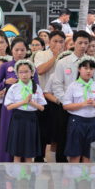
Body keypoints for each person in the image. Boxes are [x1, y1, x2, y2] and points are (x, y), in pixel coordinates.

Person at [52, 30, 95, 162]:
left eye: (86, 43)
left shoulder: (93, 63)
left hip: (87, 109)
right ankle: (62, 168)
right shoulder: (63, 62)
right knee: (63, 139)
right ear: (74, 43)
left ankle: (83, 170)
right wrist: (67, 102)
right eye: (80, 42)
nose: (83, 46)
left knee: (86, 145)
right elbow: (57, 85)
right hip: (66, 107)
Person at [0, 37, 39, 162]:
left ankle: (25, 165)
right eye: (16, 50)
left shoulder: (32, 67)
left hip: (27, 107)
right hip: (10, 108)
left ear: (26, 51)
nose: (19, 53)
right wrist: (5, 82)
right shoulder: (5, 66)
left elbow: (37, 87)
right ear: (11, 50)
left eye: (22, 50)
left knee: (25, 136)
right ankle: (7, 163)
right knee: (8, 134)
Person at [62, 56, 95, 163]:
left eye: (91, 68)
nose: (88, 71)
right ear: (79, 69)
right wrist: (82, 104)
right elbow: (66, 105)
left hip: (93, 122)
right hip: (77, 121)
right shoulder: (73, 86)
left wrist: (94, 103)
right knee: (75, 153)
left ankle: (87, 173)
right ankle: (74, 173)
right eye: (85, 68)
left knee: (90, 154)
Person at [4, 59, 46, 163]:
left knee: (29, 153)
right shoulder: (14, 87)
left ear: (32, 73)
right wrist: (24, 102)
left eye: (26, 71)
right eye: (21, 72)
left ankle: (28, 172)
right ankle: (16, 172)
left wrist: (31, 103)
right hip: (18, 118)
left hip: (31, 119)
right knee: (17, 153)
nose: (24, 75)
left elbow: (42, 108)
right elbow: (9, 107)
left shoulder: (36, 87)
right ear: (17, 74)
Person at [35, 30, 66, 161]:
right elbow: (40, 70)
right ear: (49, 41)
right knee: (42, 131)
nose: (58, 44)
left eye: (61, 41)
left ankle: (55, 159)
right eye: (55, 41)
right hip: (43, 98)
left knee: (57, 133)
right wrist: (55, 56)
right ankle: (39, 158)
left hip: (59, 98)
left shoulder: (67, 56)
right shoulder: (41, 54)